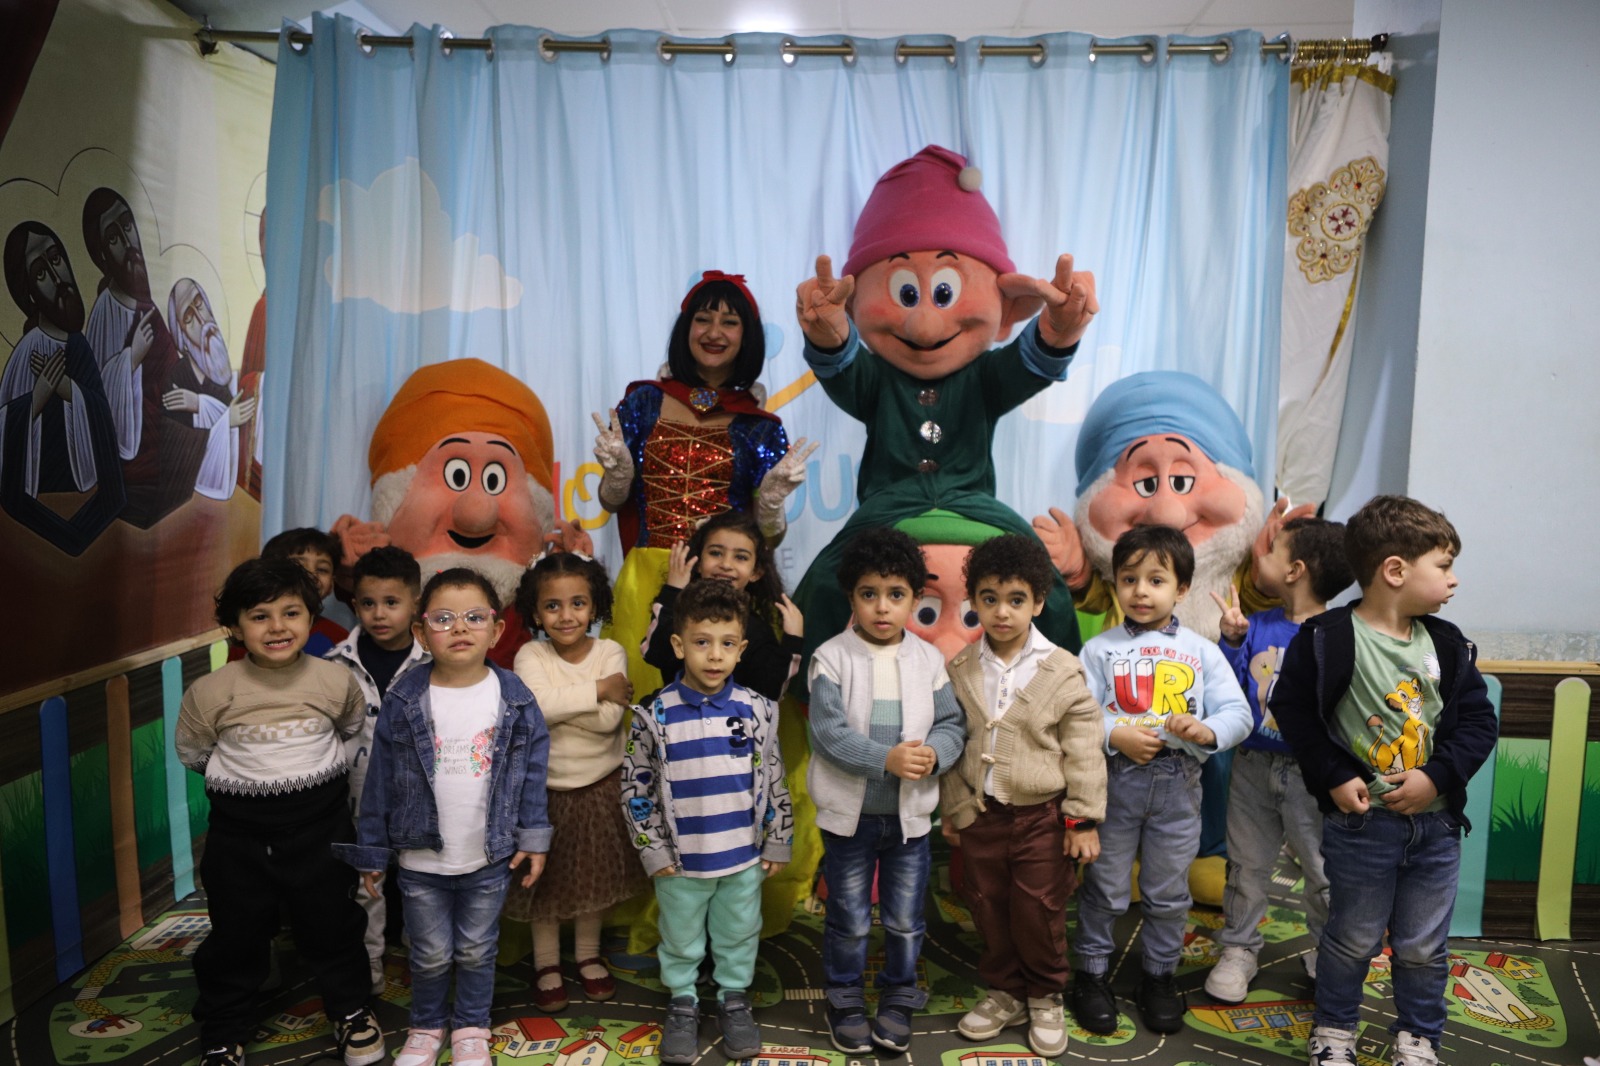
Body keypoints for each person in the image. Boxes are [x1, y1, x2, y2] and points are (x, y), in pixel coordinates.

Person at [790, 146, 1099, 696]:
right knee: (825, 582)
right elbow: (843, 370)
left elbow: (1029, 366)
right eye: (906, 294)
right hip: (887, 509)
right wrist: (829, 334)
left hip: (972, 505)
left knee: (1041, 581)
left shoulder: (982, 376)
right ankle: (812, 692)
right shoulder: (878, 378)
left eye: (944, 293)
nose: (927, 322)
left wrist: (1057, 331)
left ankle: (1062, 691)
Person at [1271, 496, 1498, 1066]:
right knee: (1351, 940)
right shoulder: (1325, 638)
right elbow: (1292, 712)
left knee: (1423, 947)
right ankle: (1334, 1031)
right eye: (1443, 566)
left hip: (1436, 830)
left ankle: (1418, 1038)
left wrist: (1436, 777)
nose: (1453, 579)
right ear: (1395, 570)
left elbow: (1478, 722)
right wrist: (1333, 774)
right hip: (1361, 828)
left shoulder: (1446, 644)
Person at [174, 557, 385, 1066]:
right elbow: (194, 753)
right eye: (259, 616)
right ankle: (225, 1028)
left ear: (311, 617)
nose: (277, 627)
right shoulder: (210, 692)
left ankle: (351, 1009)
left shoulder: (336, 682)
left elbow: (348, 729)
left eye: (290, 613)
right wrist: (254, 787)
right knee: (236, 934)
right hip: (238, 839)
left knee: (333, 924)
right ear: (234, 626)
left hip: (321, 832)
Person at [339, 567, 553, 1066]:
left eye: (474, 617)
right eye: (443, 618)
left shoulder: (514, 697)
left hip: (487, 857)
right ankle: (427, 1024)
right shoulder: (404, 698)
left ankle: (472, 1025)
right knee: (430, 952)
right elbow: (379, 781)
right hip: (420, 861)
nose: (459, 627)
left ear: (496, 630)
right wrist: (372, 852)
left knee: (477, 949)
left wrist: (534, 837)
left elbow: (533, 771)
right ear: (421, 632)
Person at [593, 271, 815, 694]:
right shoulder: (643, 402)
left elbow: (768, 537)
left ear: (747, 336)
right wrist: (619, 474)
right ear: (686, 328)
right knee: (643, 695)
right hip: (648, 577)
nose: (715, 332)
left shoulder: (760, 426)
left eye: (730, 322)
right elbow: (610, 501)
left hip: (720, 583)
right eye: (703, 319)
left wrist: (770, 503)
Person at [1071, 526, 1251, 1036]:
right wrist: (1116, 733)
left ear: (1182, 588)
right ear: (1115, 584)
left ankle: (1158, 976)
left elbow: (1238, 713)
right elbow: (1077, 717)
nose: (1141, 591)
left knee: (1169, 892)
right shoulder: (1098, 650)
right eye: (1129, 579)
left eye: (1156, 580)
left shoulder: (1202, 650)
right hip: (1114, 783)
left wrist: (1206, 730)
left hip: (1179, 786)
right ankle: (1090, 974)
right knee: (1105, 887)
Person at [941, 534, 1106, 1059]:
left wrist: (1082, 819)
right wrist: (956, 808)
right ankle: (1006, 991)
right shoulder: (960, 668)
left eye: (1016, 600)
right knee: (987, 904)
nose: (1002, 612)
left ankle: (1044, 994)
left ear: (1037, 602)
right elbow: (950, 740)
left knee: (1037, 908)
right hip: (982, 815)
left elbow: (1084, 748)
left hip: (1042, 818)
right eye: (989, 599)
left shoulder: (1061, 668)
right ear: (973, 601)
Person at [620, 579, 794, 1065]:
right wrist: (653, 850)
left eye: (726, 644)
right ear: (679, 646)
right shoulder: (653, 715)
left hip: (742, 857)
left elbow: (774, 777)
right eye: (702, 642)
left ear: (741, 649)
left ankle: (734, 998)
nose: (714, 655)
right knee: (680, 938)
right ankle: (682, 1001)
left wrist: (778, 840)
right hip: (680, 864)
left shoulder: (759, 711)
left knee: (739, 934)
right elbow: (635, 789)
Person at [806, 527, 966, 1055]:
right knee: (850, 919)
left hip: (909, 820)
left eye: (895, 595)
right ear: (851, 597)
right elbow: (828, 734)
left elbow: (951, 724)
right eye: (868, 594)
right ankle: (845, 996)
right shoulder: (832, 657)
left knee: (903, 920)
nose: (881, 607)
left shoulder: (928, 659)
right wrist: (886, 759)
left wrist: (936, 753)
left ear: (915, 599)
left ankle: (899, 994)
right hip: (849, 820)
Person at [1204, 517, 1353, 1003]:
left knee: (1321, 870)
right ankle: (1238, 948)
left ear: (1295, 570)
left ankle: (1330, 952)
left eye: (1271, 551)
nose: (1258, 556)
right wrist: (1231, 641)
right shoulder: (1257, 624)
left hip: (1314, 775)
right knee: (1246, 865)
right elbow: (1229, 690)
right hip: (1251, 765)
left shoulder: (1340, 635)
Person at [506, 551, 649, 1011]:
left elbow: (608, 723)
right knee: (543, 884)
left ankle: (588, 955)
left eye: (578, 603)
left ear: (595, 607)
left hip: (600, 788)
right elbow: (532, 710)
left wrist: (556, 705)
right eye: (553, 606)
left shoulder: (610, 652)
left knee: (593, 880)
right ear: (535, 613)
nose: (566, 616)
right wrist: (596, 691)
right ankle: (546, 963)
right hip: (543, 793)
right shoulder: (531, 654)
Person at [324, 544, 431, 993]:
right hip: (357, 796)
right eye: (368, 603)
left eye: (391, 602)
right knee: (365, 886)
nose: (379, 614)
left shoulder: (435, 663)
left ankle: (424, 959)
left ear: (415, 604)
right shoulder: (335, 665)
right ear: (355, 605)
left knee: (421, 883)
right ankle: (367, 968)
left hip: (421, 798)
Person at [81, 186, 206, 528]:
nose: (128, 242)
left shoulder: (147, 303)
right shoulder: (106, 310)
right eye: (113, 238)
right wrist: (130, 360)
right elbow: (96, 398)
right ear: (103, 255)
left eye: (128, 227)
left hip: (164, 437)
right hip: (136, 454)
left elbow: (169, 370)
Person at [0, 220, 125, 555]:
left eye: (56, 260)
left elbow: (102, 418)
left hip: (86, 498)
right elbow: (3, 439)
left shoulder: (79, 346)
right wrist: (36, 401)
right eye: (41, 273)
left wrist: (70, 391)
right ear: (29, 292)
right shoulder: (26, 354)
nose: (58, 279)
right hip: (41, 507)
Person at [641, 509, 803, 702]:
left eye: (740, 557)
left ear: (756, 572)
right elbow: (654, 652)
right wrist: (672, 590)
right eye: (716, 553)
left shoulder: (756, 630)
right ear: (698, 562)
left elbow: (771, 690)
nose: (726, 564)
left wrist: (793, 640)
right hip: (677, 717)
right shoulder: (681, 611)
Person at [165, 277, 256, 500]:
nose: (200, 318)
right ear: (182, 338)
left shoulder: (228, 374)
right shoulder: (176, 379)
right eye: (188, 317)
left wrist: (200, 405)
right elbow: (177, 450)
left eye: (199, 303)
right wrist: (224, 420)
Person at [262, 527, 353, 653]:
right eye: (298, 565)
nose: (311, 575)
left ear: (331, 585)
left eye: (322, 569)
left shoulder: (340, 638)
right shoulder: (253, 631)